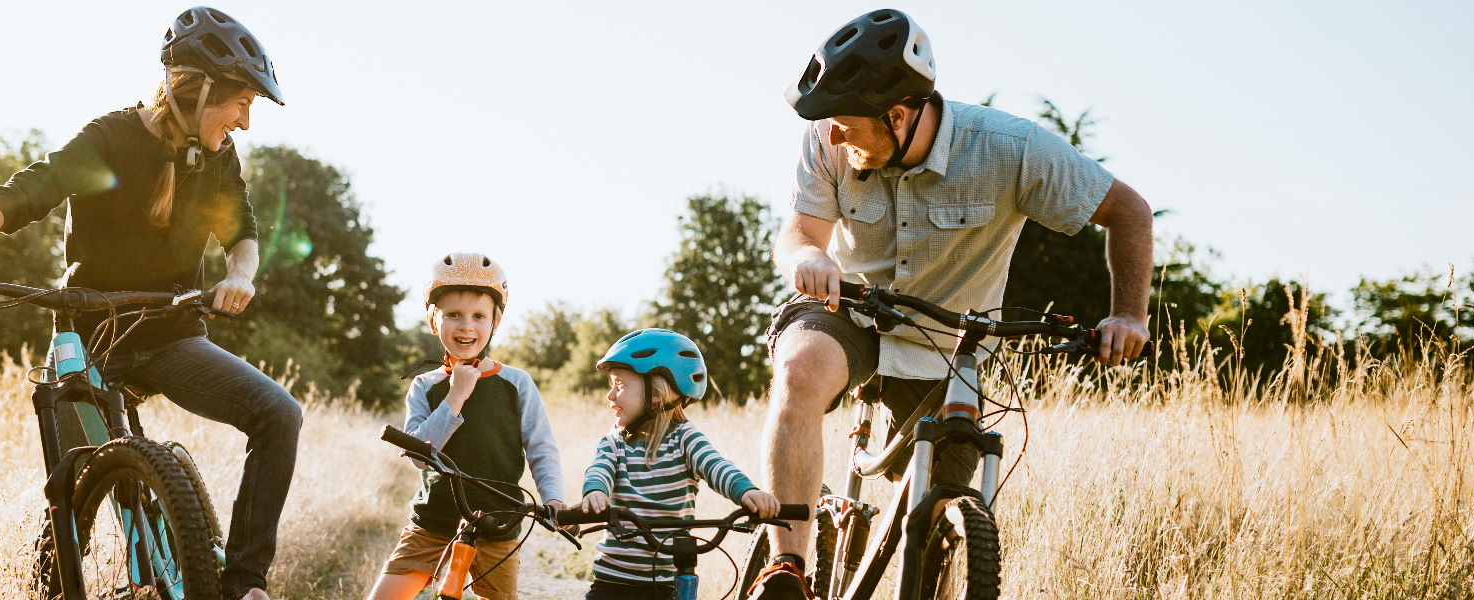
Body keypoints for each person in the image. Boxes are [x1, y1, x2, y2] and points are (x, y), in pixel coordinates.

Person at [0, 7, 299, 599]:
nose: (245, 121)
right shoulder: (109, 139)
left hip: (170, 337)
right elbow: (25, 193)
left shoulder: (215, 157)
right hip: (87, 342)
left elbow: (240, 227)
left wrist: (240, 275)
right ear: (194, 91)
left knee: (278, 413)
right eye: (240, 102)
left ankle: (244, 586)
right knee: (70, 499)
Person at [749, 8, 1154, 599]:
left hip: (949, 343)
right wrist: (807, 258)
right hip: (854, 312)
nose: (832, 134)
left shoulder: (1010, 149)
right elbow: (800, 234)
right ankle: (786, 570)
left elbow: (1129, 212)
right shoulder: (827, 137)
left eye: (845, 124)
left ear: (898, 114)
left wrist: (1129, 314)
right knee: (800, 365)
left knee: (937, 513)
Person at [366, 253, 568, 600]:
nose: (466, 326)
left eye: (478, 316)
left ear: (496, 321)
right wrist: (456, 395)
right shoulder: (426, 387)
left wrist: (553, 498)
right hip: (432, 521)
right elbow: (418, 454)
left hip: (500, 521)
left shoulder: (516, 383)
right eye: (453, 315)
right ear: (434, 321)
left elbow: (541, 447)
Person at [576, 329, 779, 600]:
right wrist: (595, 491)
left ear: (656, 394)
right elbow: (599, 469)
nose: (610, 396)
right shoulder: (615, 443)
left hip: (666, 582)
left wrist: (746, 492)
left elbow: (715, 466)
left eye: (620, 385)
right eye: (611, 385)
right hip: (612, 583)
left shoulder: (685, 439)